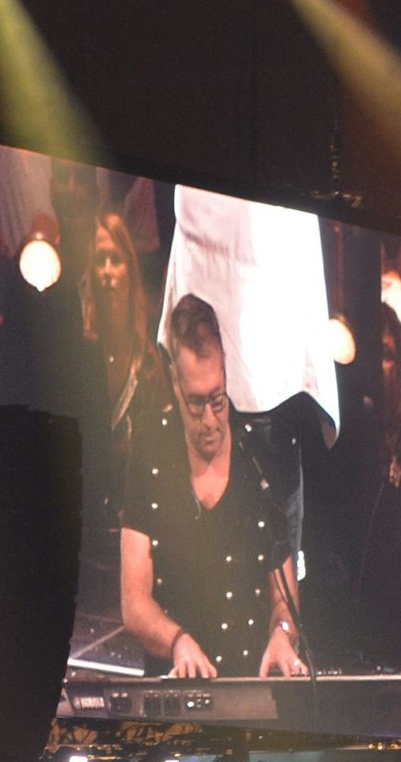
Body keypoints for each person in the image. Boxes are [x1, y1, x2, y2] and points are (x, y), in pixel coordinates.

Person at [119, 293, 307, 683]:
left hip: (249, 686)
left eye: (217, 400)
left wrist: (282, 634)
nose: (209, 420)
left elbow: (284, 601)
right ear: (174, 382)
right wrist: (178, 641)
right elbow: (134, 603)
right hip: (172, 686)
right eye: (195, 403)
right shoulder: (150, 448)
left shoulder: (259, 457)